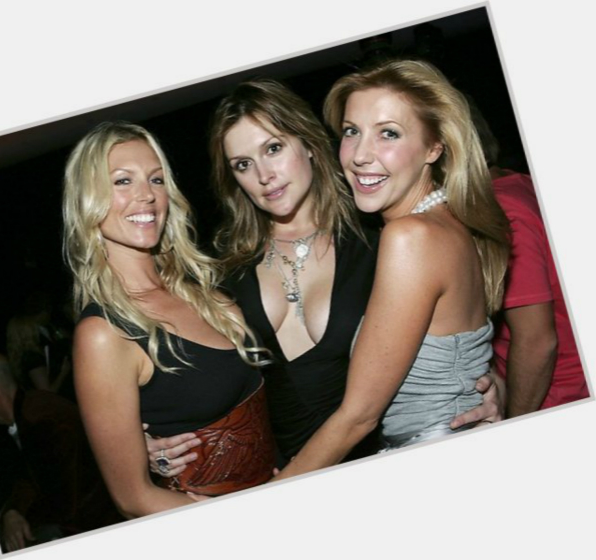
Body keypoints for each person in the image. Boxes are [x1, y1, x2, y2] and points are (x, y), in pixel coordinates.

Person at [147, 75, 505, 475]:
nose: (264, 175)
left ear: (309, 143)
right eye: (243, 165)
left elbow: (450, 331)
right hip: (282, 468)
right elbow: (188, 380)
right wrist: (149, 440)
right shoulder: (222, 272)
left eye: (274, 148)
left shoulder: (378, 233)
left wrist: (485, 385)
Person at [272, 59, 511, 479]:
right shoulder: (449, 221)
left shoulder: (410, 238)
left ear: (434, 147)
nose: (360, 156)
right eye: (351, 131)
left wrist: (276, 491)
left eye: (389, 133)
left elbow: (359, 416)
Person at [63, 122, 276, 517]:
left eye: (156, 179)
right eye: (122, 181)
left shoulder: (211, 297)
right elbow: (133, 499)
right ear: (88, 200)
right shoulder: (104, 334)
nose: (146, 194)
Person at [469, 101, 589, 416]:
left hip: (556, 396)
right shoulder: (521, 184)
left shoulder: (502, 212)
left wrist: (517, 421)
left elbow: (536, 341)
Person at [0, 351, 121, 552]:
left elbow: (68, 501)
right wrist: (12, 511)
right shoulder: (28, 411)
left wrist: (17, 520)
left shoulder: (44, 421)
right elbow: (30, 479)